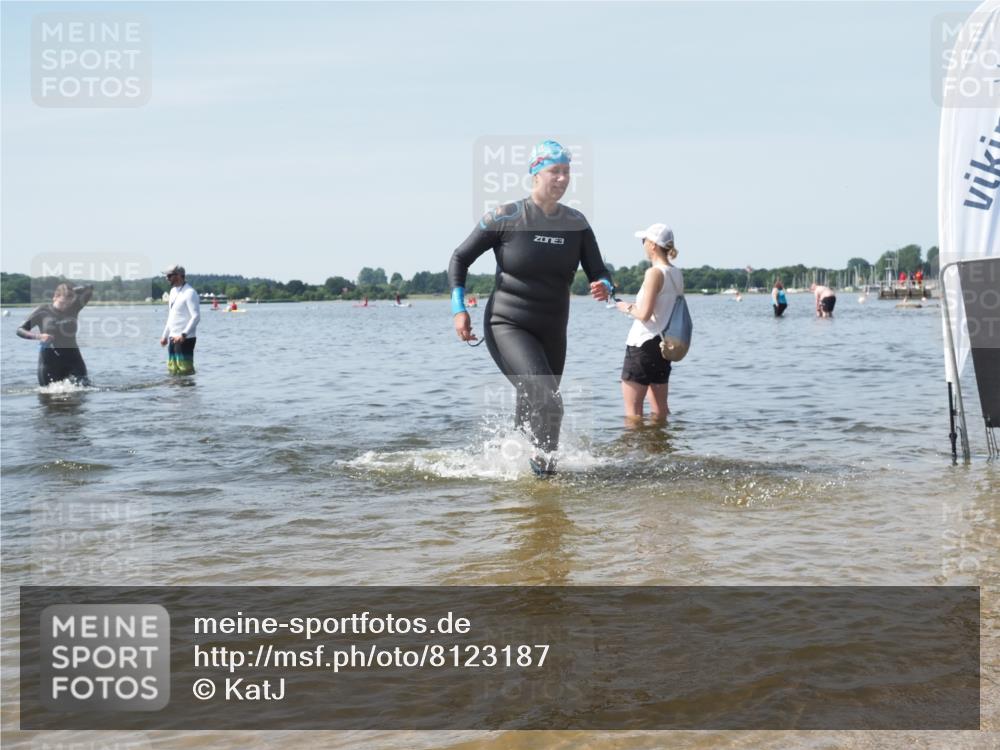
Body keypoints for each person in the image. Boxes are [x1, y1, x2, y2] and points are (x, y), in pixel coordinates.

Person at [449, 139, 612, 476]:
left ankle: (520, 484)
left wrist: (604, 285)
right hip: (508, 324)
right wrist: (459, 308)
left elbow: (600, 270)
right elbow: (459, 258)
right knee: (549, 402)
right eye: (556, 171)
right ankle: (545, 479)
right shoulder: (507, 217)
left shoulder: (576, 223)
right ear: (536, 174)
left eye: (567, 172)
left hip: (553, 330)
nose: (563, 179)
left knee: (534, 403)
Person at [615, 223, 683, 423]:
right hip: (663, 346)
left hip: (642, 345)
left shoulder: (654, 273)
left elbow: (644, 314)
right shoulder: (676, 273)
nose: (643, 244)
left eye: (644, 240)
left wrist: (625, 307)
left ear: (653, 245)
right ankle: (660, 449)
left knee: (633, 413)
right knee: (660, 410)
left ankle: (634, 454)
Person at [16, 283, 94, 386]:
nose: (65, 306)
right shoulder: (42, 311)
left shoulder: (74, 307)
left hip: (74, 360)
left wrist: (69, 290)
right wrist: (38, 336)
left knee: (83, 391)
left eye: (68, 303)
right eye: (62, 303)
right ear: (55, 297)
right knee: (49, 397)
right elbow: (20, 330)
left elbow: (89, 288)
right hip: (49, 363)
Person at [160, 265, 200, 375]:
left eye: (169, 276)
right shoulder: (172, 291)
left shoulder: (190, 292)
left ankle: (188, 391)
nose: (166, 278)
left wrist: (183, 335)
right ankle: (175, 392)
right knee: (172, 370)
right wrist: (165, 336)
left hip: (185, 339)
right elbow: (171, 316)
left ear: (178, 276)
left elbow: (196, 317)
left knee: (185, 371)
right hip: (173, 338)